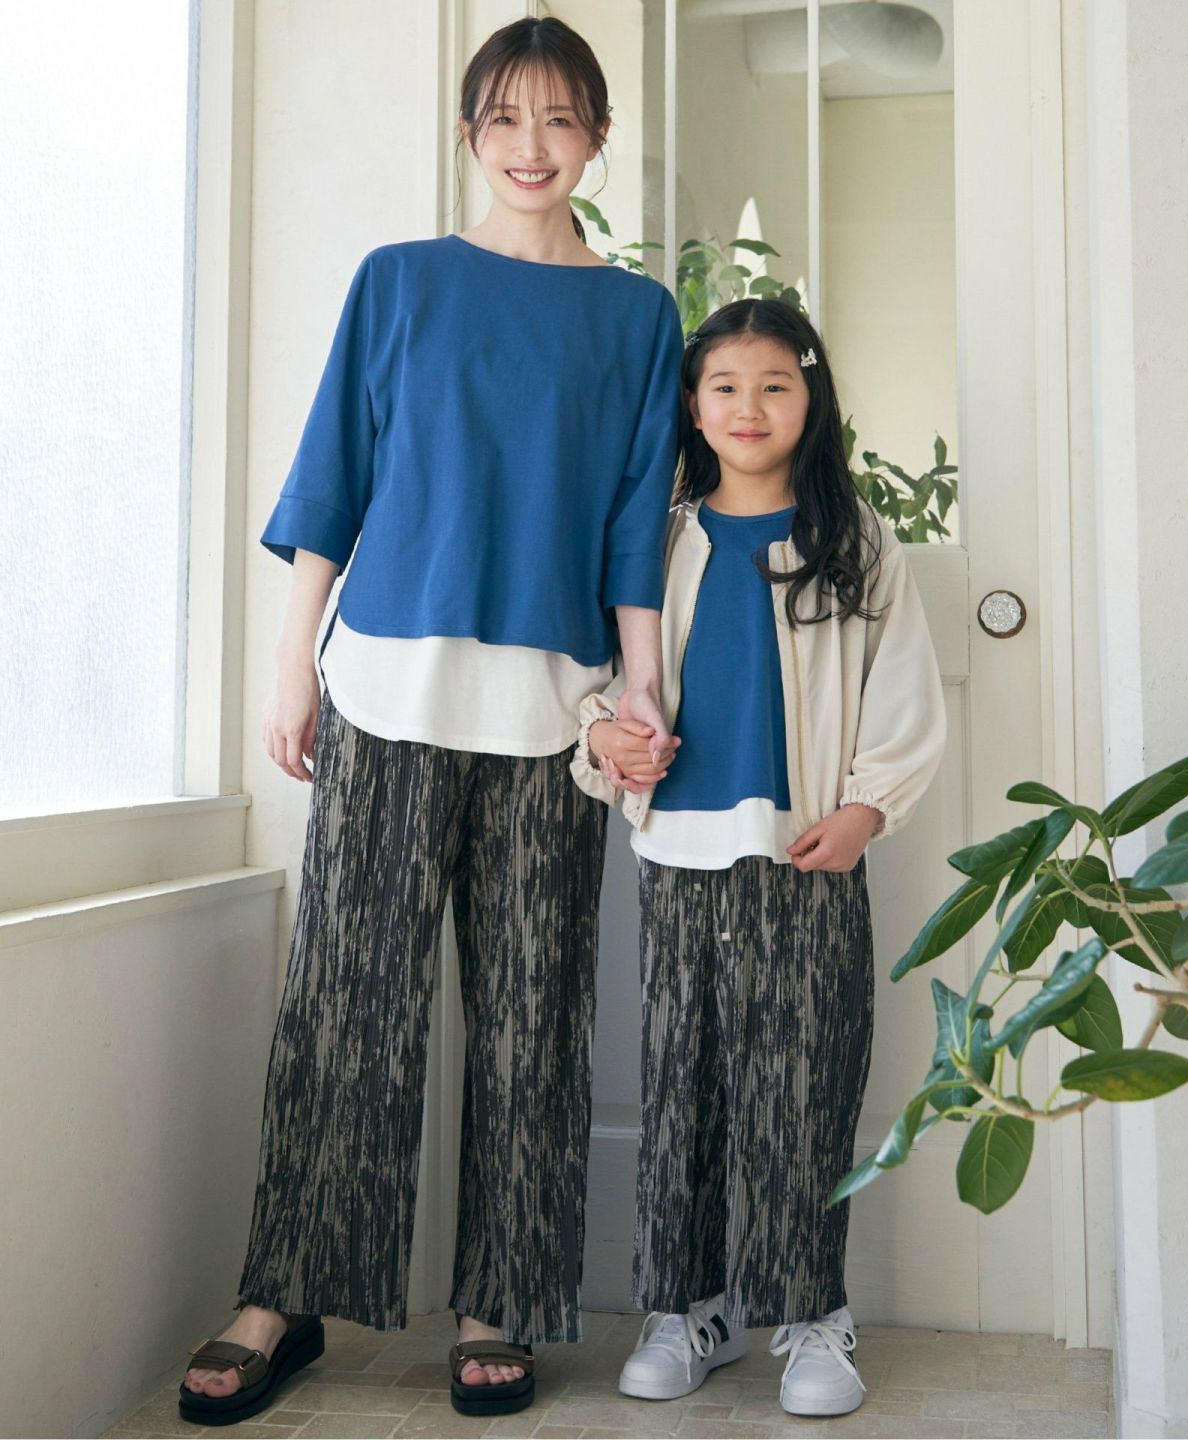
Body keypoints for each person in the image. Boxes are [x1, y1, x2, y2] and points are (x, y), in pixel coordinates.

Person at [178, 16, 683, 1427]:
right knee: (346, 1005)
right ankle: (283, 1298)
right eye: (506, 118)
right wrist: (291, 668)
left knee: (535, 1020)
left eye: (561, 119)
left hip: (552, 714)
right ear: (470, 134)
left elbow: (636, 523)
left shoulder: (638, 317)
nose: (533, 145)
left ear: (597, 138)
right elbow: (331, 480)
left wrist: (643, 689)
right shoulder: (397, 281)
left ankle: (496, 1305)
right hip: (383, 693)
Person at [570, 298, 946, 1418]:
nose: (749, 406)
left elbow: (903, 688)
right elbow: (597, 680)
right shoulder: (656, 538)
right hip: (679, 854)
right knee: (680, 1085)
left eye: (775, 384)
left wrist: (869, 808)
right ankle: (686, 1308)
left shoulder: (853, 538)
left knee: (805, 1086)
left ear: (811, 400)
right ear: (692, 407)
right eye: (725, 386)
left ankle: (812, 1315)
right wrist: (603, 738)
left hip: (809, 852)